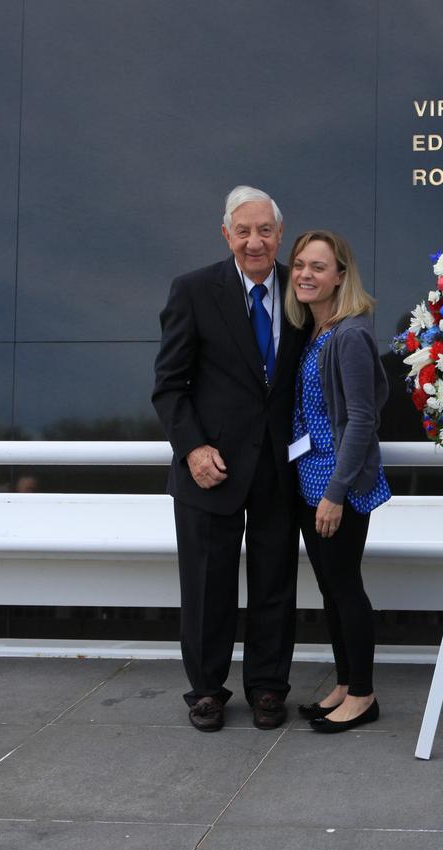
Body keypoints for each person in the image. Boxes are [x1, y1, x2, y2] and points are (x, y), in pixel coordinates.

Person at [151, 186, 307, 732]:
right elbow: (169, 386)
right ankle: (206, 690)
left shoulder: (302, 290)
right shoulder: (193, 291)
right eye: (243, 231)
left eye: (264, 230)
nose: (254, 241)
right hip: (208, 467)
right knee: (205, 587)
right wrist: (192, 447)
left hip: (278, 468)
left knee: (274, 584)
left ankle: (267, 688)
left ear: (280, 233)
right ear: (226, 235)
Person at [283, 230, 390, 733]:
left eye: (318, 267)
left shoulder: (350, 334)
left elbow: (363, 419)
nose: (305, 274)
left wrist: (335, 493)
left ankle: (364, 695)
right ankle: (346, 684)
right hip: (311, 479)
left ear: (340, 276)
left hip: (338, 485)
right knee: (330, 587)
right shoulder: (316, 332)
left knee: (346, 588)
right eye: (300, 264)